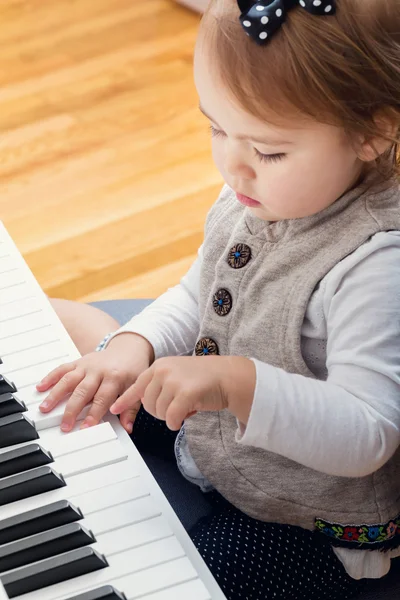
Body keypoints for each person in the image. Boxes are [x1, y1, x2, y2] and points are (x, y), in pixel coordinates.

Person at [38, 0, 400, 598]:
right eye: (216, 128)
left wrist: (236, 382)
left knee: (191, 579)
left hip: (304, 518)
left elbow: (369, 431)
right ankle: (106, 333)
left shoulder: (376, 264)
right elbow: (196, 292)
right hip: (212, 435)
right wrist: (136, 344)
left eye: (269, 150)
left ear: (372, 134)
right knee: (95, 384)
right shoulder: (256, 194)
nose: (232, 164)